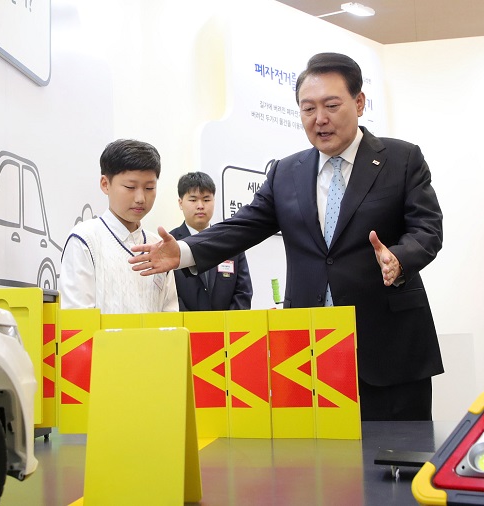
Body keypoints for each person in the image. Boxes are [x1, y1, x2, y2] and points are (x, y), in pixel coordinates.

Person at [129, 53, 444, 421]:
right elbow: (243, 226)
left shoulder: (401, 159)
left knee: (396, 465)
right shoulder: (286, 172)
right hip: (309, 350)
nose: (319, 119)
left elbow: (427, 227)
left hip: (389, 346)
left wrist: (400, 257)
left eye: (331, 105)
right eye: (308, 108)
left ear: (358, 103)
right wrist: (182, 251)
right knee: (318, 469)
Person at [59, 139, 178, 314]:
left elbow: (170, 315)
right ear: (105, 184)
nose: (140, 198)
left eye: (149, 187)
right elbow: (76, 319)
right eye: (130, 187)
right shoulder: (85, 239)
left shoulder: (158, 245)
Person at [170, 172, 253, 311]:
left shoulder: (231, 241)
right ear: (180, 203)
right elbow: (168, 297)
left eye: (206, 200)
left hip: (228, 329)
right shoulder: (170, 243)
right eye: (193, 199)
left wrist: (227, 326)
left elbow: (243, 292)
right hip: (186, 329)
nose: (200, 205)